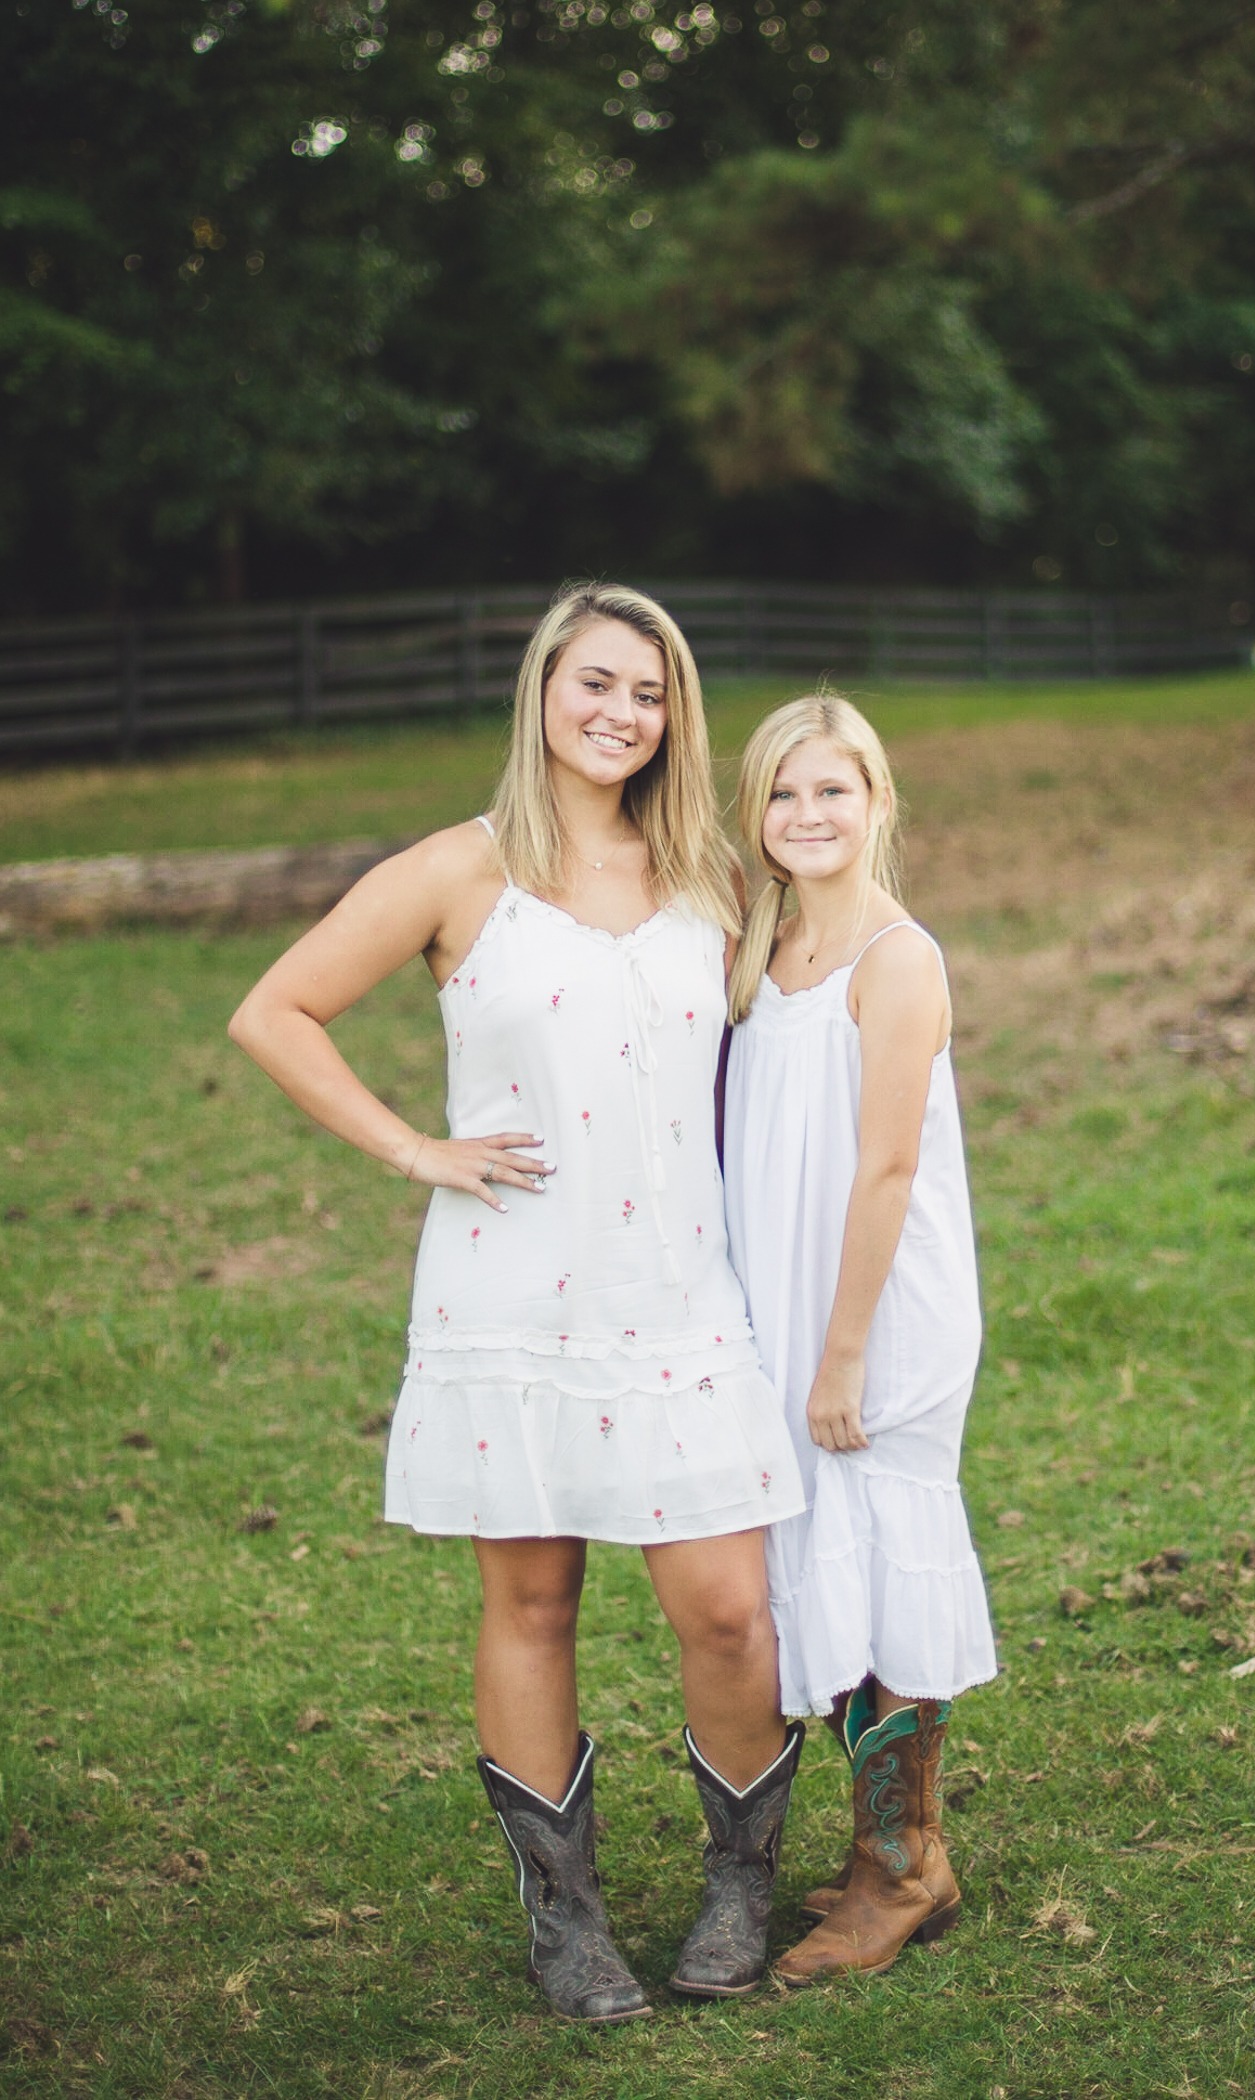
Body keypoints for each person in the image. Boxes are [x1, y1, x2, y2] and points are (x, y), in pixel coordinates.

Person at [228, 584, 806, 2023]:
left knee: (729, 1610)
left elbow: (813, 1030)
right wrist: (416, 1149)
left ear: (676, 715)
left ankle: (743, 1884)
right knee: (533, 1601)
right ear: (543, 690)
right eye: (594, 683)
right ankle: (567, 1917)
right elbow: (275, 1010)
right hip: (511, 1291)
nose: (620, 713)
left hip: (682, 1289)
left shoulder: (712, 876)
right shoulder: (455, 873)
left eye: (650, 692)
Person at [721, 693, 997, 1985]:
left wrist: (842, 1354)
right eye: (785, 793)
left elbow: (885, 1165)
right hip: (787, 1296)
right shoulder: (762, 947)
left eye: (833, 790)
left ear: (877, 801)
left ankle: (903, 1873)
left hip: (880, 1307)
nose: (809, 814)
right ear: (757, 815)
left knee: (881, 1555)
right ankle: (890, 1849)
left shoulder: (899, 958)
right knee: (824, 1554)